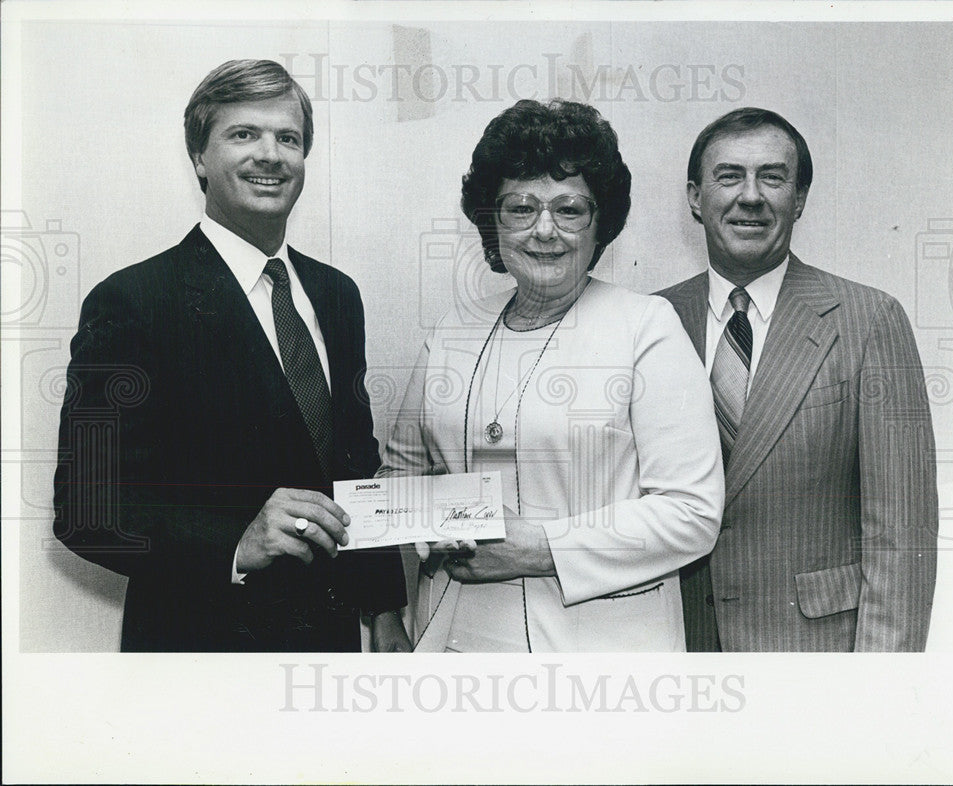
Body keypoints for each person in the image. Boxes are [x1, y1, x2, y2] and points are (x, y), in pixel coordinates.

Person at [52, 59, 411, 652]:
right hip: (200, 650)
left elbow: (355, 466)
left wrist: (384, 607)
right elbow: (83, 509)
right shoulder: (132, 302)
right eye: (243, 134)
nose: (270, 154)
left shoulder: (337, 295)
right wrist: (235, 544)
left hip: (330, 645)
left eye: (287, 138)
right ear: (199, 157)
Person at [378, 99, 724, 652]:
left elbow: (692, 514)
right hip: (453, 637)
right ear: (493, 222)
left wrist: (539, 547)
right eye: (520, 208)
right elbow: (399, 473)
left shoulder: (644, 327)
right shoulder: (454, 329)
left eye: (569, 209)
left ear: (599, 222)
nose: (545, 231)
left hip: (598, 652)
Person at [657, 107, 938, 651]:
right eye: (729, 175)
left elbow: (903, 538)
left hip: (814, 656)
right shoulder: (650, 321)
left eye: (773, 176)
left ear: (800, 198)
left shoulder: (869, 320)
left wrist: (878, 693)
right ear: (695, 197)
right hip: (676, 649)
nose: (751, 195)